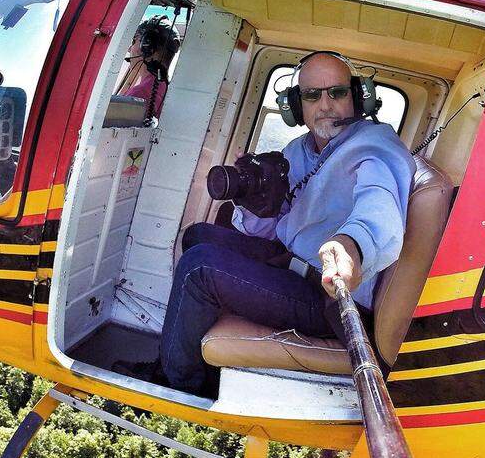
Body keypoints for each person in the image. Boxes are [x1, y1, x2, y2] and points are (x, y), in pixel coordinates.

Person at [151, 51, 416, 398]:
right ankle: (194, 354)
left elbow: (378, 201)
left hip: (332, 299)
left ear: (357, 96)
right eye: (312, 95)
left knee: (198, 267)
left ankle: (176, 386)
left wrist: (353, 244)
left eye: (337, 92)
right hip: (291, 266)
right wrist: (253, 199)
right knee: (198, 235)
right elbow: (274, 228)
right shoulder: (299, 150)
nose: (326, 105)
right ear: (295, 105)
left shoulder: (376, 146)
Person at [118, 15, 178, 120]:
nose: (129, 49)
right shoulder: (165, 89)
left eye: (134, 41)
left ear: (147, 47)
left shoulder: (139, 95)